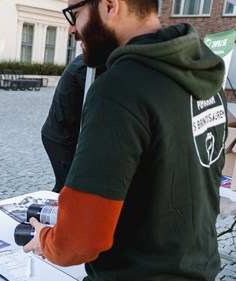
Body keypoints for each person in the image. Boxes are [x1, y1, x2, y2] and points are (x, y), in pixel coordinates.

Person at [24, 0, 227, 280]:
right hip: (197, 268)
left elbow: (78, 241)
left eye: (76, 13)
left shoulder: (119, 89)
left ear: (109, 6)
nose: (72, 28)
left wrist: (44, 238)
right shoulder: (204, 73)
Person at [41, 54, 105, 193]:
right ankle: (45, 212)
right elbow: (101, 94)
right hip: (57, 137)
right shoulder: (85, 67)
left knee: (68, 185)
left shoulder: (88, 62)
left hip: (66, 134)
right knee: (67, 187)